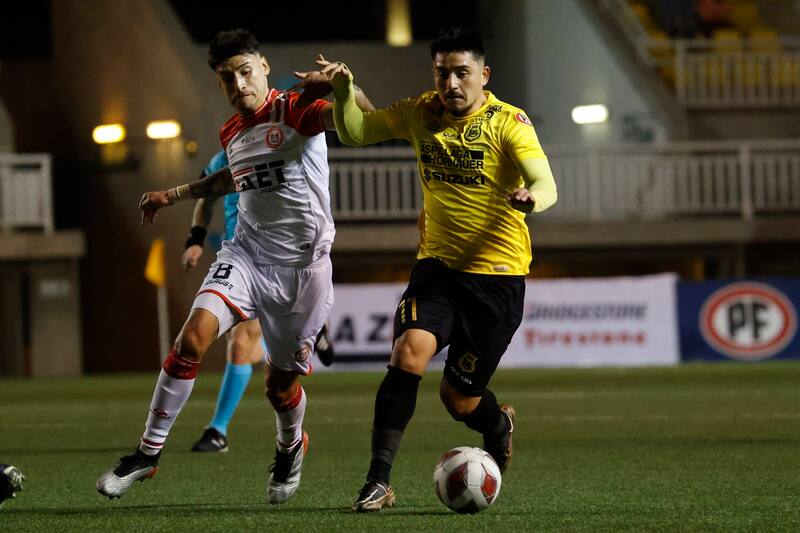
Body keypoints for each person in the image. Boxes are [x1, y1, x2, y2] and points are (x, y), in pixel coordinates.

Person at [96, 29, 373, 504]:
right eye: (228, 77)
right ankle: (147, 455)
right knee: (192, 338)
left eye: (246, 71)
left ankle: (291, 444)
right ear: (220, 84)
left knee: (279, 387)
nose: (239, 83)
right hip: (246, 255)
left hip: (303, 270)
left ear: (263, 67)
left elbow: (363, 125)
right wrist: (174, 195)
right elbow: (230, 177)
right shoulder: (231, 132)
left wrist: (346, 85)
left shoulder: (298, 109)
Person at [327, 28, 557, 512]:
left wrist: (532, 197)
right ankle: (377, 482)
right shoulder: (420, 111)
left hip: (496, 282)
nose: (451, 83)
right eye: (442, 73)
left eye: (461, 73)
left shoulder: (509, 122)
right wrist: (345, 89)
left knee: (459, 401)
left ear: (483, 75)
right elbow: (355, 131)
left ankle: (498, 425)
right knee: (408, 353)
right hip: (436, 270)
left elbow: (545, 180)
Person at [181, 150, 336, 454]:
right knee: (243, 343)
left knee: (243, 344)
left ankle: (218, 429)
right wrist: (195, 240)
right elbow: (206, 197)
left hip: (276, 258)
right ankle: (311, 333)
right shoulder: (223, 157)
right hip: (241, 257)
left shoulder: (281, 145)